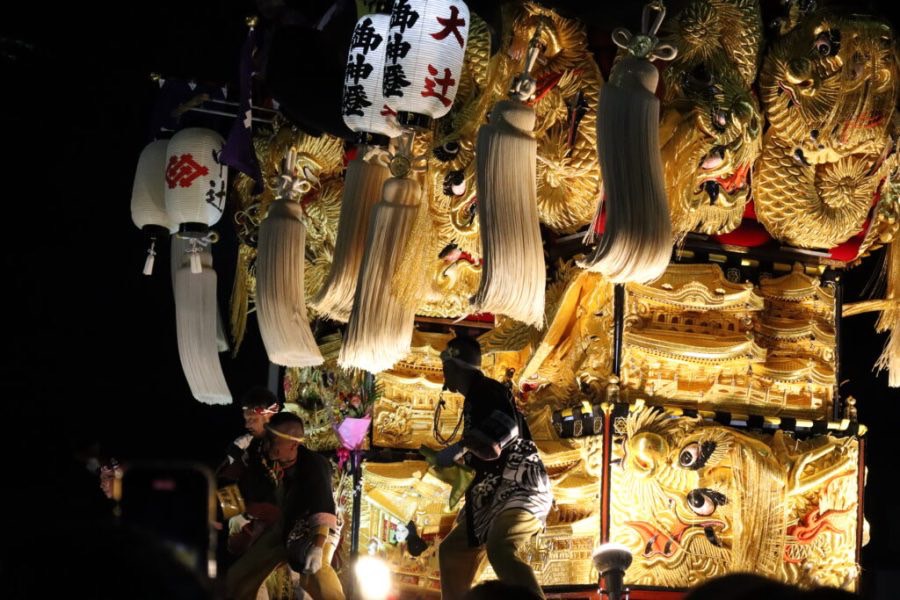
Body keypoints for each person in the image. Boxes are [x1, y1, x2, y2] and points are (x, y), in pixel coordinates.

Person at [435, 336, 553, 600]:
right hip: (493, 495)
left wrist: (460, 447)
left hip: (519, 485)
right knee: (452, 552)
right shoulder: (477, 396)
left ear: (452, 366)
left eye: (444, 367)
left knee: (500, 548)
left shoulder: (486, 391)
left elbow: (501, 435)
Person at [224, 412, 344, 600]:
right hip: (280, 528)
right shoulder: (260, 456)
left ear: (293, 444)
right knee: (238, 577)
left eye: (274, 440)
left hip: (313, 530)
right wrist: (234, 516)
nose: (267, 445)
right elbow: (230, 484)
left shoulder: (314, 465)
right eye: (267, 439)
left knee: (318, 574)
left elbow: (322, 507)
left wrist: (317, 547)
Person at [217, 387, 282, 482]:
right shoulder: (245, 445)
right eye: (246, 420)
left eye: (253, 419)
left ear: (271, 416)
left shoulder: (284, 448)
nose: (246, 425)